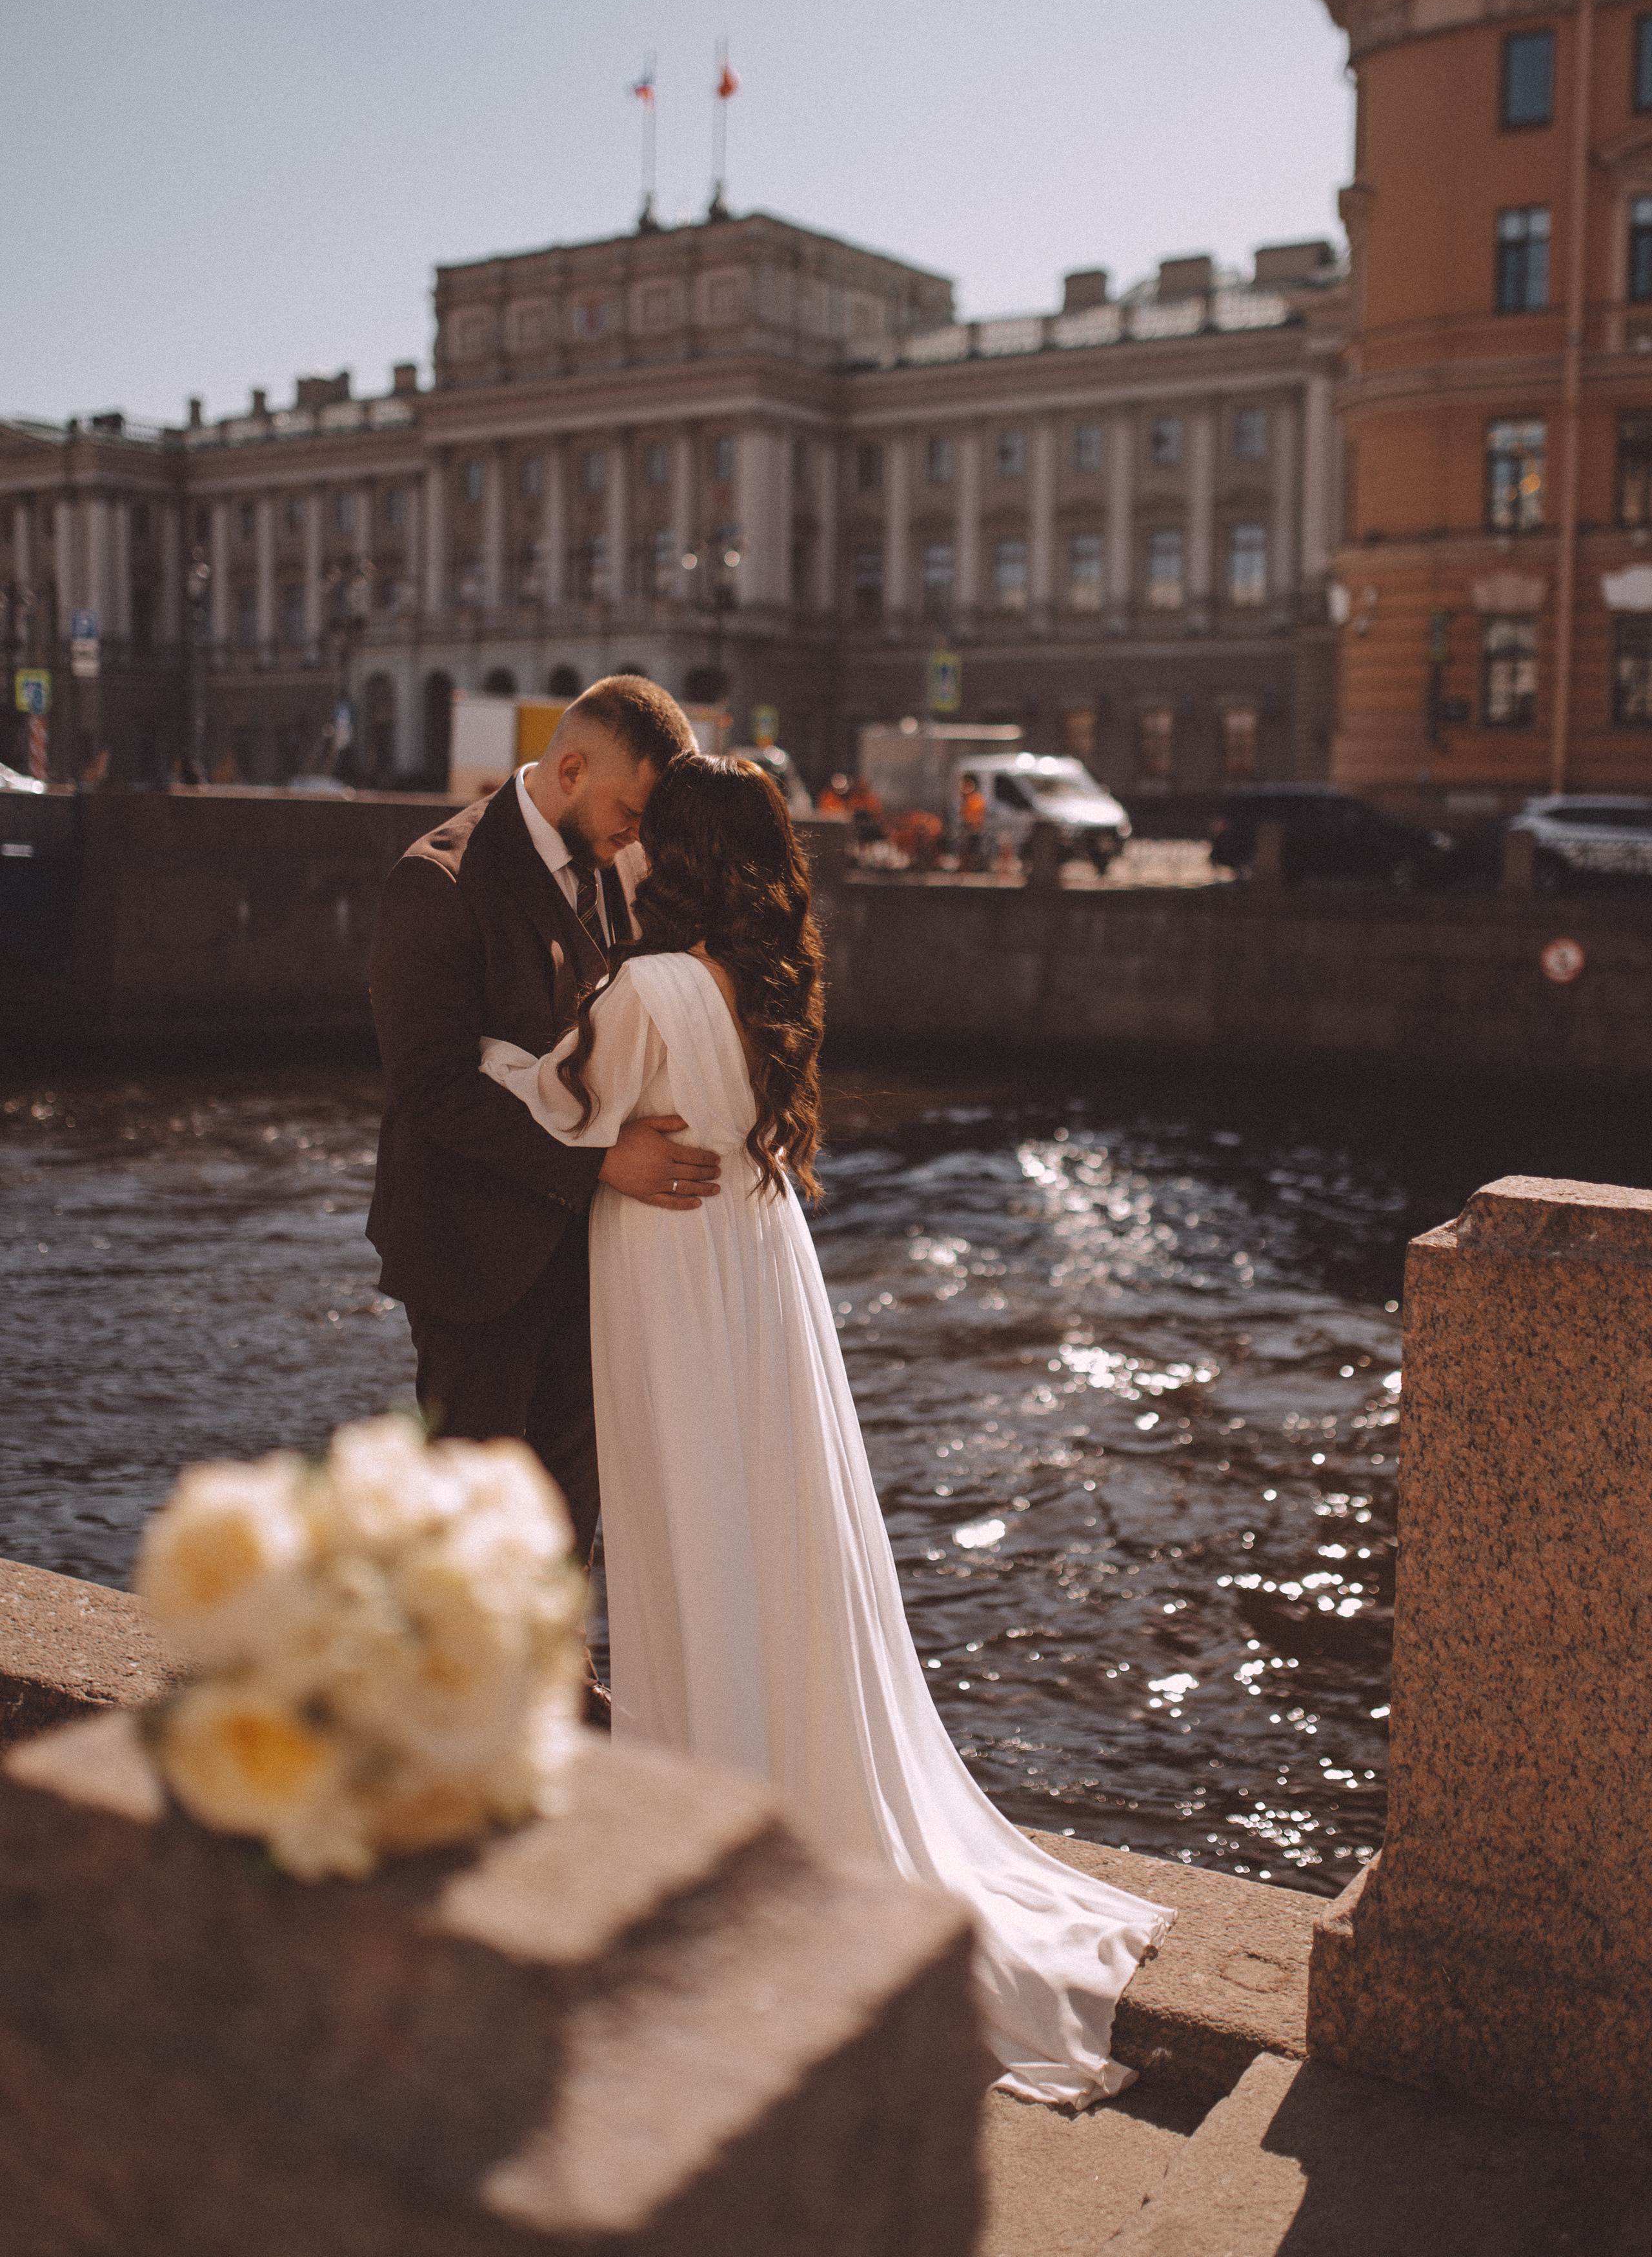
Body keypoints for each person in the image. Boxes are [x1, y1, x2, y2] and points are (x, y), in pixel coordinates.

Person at [478, 753, 1173, 2105]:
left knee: (685, 1525)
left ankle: (699, 1832)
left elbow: (563, 1104)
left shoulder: (644, 989)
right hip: (755, 1253)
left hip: (671, 1265)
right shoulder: (765, 980)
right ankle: (770, 1787)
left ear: (667, 855)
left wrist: (485, 1055)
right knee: (769, 1525)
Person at [366, 675, 721, 1572]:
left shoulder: (618, 866)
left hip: (585, 1249)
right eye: (629, 811)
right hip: (472, 1254)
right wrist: (602, 1164)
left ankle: (562, 1683)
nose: (636, 835)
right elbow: (433, 1089)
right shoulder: (437, 882)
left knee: (573, 1485)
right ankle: (462, 1697)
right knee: (471, 1501)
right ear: (570, 768)